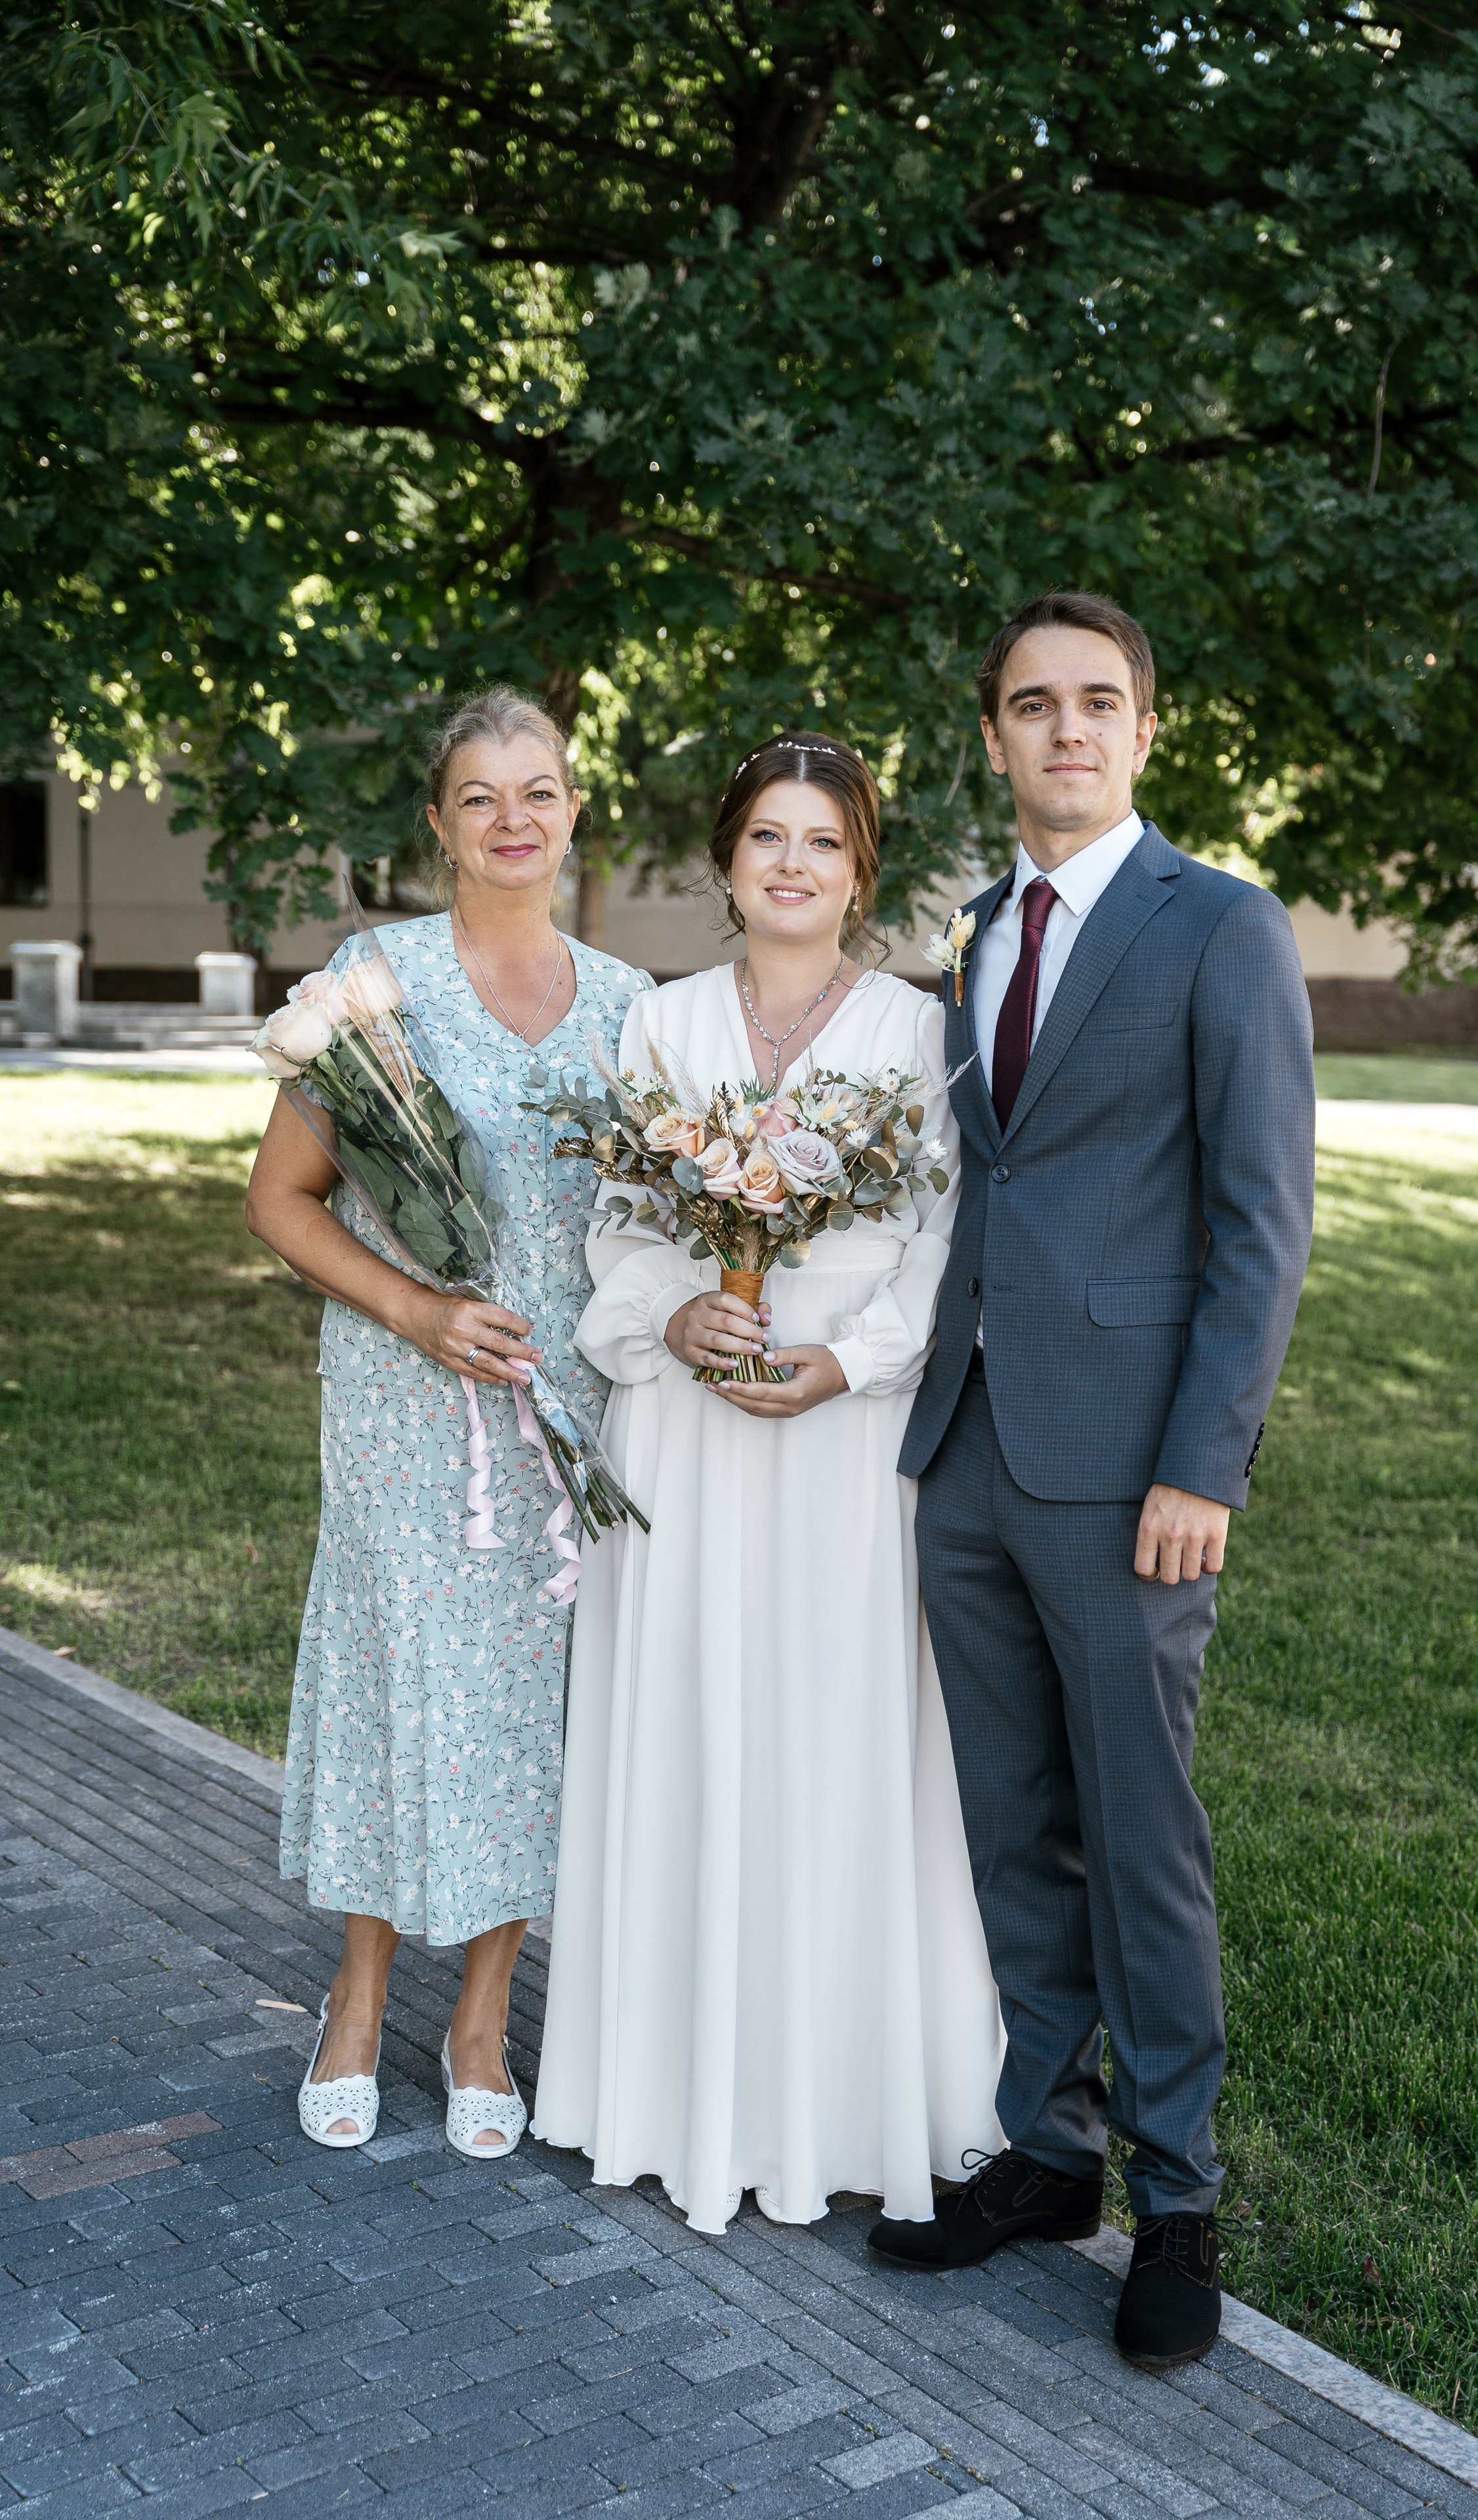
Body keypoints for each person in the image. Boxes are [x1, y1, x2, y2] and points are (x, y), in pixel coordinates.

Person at [872, 591, 1315, 2373]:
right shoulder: (980, 929)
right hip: (967, 1452)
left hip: (1134, 1471)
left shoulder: (1225, 930)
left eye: (1099, 703)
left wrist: (1203, 1463)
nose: (1067, 730)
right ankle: (1049, 2158)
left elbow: (1260, 1227)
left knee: (1142, 1844)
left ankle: (1181, 2197)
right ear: (994, 738)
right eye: (1033, 705)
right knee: (1009, 1829)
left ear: (1146, 730)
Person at [532, 732, 1003, 2232]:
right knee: (686, 1729)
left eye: (820, 841)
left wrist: (850, 1362)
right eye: (763, 841)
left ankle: (841, 2099)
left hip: (844, 1440)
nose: (790, 865)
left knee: (834, 1738)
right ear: (724, 864)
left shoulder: (921, 1032)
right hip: (683, 1422)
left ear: (860, 868)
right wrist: (671, 1313)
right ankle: (668, 2093)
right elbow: (614, 1227)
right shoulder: (659, 1024)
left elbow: (943, 1245)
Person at [245, 685, 650, 2161]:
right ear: (439, 825)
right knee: (395, 1684)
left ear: (572, 809)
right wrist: (418, 1312)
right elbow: (279, 1203)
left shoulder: (627, 1005)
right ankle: (355, 2001)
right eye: (478, 797)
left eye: (535, 790)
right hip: (407, 1406)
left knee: (536, 1716)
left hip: (567, 1412)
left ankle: (481, 2016)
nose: (510, 820)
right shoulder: (378, 979)